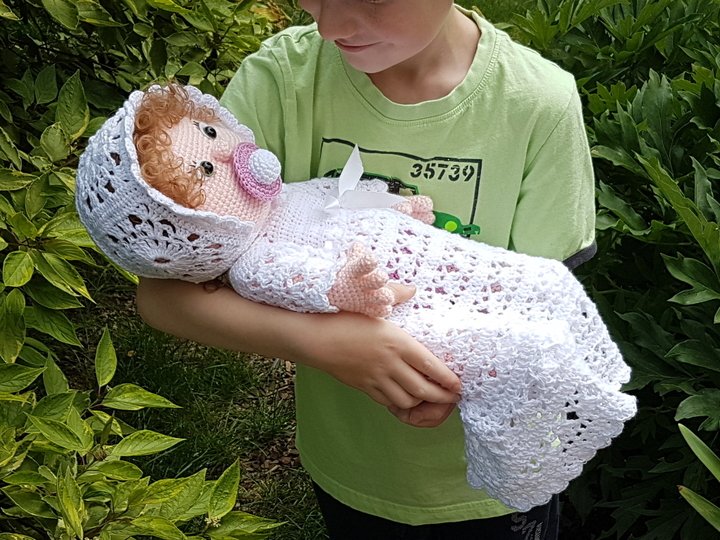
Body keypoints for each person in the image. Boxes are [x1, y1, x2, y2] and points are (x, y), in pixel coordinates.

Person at [135, 2, 598, 538]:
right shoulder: (282, 81)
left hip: (493, 481)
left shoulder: (537, 105)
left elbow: (547, 314)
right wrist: (325, 344)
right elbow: (163, 294)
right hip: (349, 465)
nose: (330, 26)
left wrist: (458, 381)